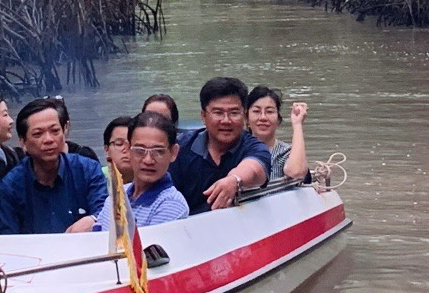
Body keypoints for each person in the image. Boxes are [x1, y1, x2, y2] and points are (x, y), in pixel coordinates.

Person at [0, 98, 108, 234]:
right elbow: (8, 238)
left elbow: (106, 212)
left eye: (55, 131)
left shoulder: (88, 170)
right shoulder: (11, 186)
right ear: (22, 142)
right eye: (38, 134)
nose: (49, 139)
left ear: (64, 132)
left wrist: (93, 219)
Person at [172, 76, 271, 212]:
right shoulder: (180, 148)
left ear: (244, 115)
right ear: (203, 116)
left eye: (234, 113)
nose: (226, 120)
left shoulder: (255, 147)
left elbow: (254, 169)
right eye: (218, 113)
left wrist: (235, 180)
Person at [85, 111, 189, 231]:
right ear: (129, 149)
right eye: (140, 150)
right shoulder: (118, 195)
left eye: (158, 151)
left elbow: (147, 249)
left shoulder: (172, 204)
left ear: (173, 153)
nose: (148, 160)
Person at [247, 85, 309, 183]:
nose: (263, 117)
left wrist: (297, 124)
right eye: (256, 111)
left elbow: (296, 173)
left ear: (278, 119)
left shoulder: (284, 152)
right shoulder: (237, 150)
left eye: (269, 111)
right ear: (246, 119)